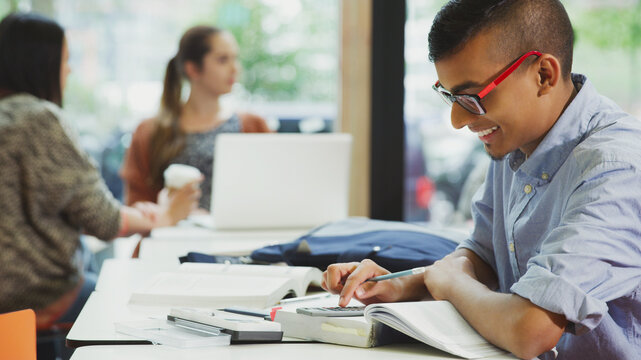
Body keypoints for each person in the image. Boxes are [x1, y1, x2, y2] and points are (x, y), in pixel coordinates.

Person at [322, 1, 641, 359]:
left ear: (544, 75)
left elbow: (529, 330)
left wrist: (452, 283)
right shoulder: (515, 138)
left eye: (472, 97)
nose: (457, 120)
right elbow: (485, 256)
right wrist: (407, 284)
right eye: (450, 96)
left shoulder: (618, 168)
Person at [0, 12, 200, 328]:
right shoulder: (39, 120)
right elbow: (103, 220)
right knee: (149, 311)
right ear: (41, 64)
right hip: (34, 300)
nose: (69, 69)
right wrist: (163, 217)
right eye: (65, 60)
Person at [120, 25, 270, 211]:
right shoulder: (150, 131)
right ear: (193, 69)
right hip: (172, 236)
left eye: (235, 58)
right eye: (223, 60)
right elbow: (137, 205)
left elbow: (273, 191)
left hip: (238, 237)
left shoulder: (254, 125)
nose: (235, 68)